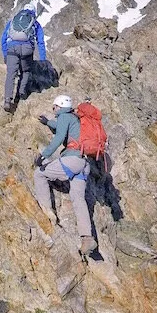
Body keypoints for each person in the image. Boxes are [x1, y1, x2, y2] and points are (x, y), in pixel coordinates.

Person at [33, 94, 97, 256]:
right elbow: (63, 128)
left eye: (54, 107)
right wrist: (49, 123)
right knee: (78, 199)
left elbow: (59, 136)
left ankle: (47, 211)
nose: (53, 111)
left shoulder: (64, 116)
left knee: (39, 174)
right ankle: (87, 238)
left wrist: (44, 155)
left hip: (72, 160)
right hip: (84, 164)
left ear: (60, 106)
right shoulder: (76, 119)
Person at [0, 2, 47, 112]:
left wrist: (5, 54)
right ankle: (21, 93)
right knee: (26, 71)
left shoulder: (13, 20)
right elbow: (40, 42)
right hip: (27, 49)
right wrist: (43, 59)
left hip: (12, 48)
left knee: (11, 74)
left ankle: (7, 100)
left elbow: (3, 38)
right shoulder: (35, 23)